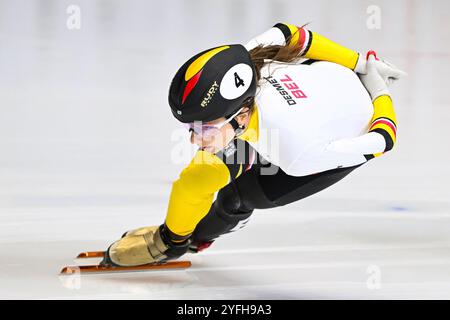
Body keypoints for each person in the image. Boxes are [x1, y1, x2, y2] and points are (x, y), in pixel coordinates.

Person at [100, 22, 406, 267]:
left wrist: (378, 90)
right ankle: (172, 241)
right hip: (302, 100)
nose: (193, 138)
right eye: (189, 127)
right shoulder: (245, 61)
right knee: (198, 177)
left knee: (239, 197)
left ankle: (199, 239)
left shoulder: (297, 151)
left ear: (241, 114)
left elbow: (383, 140)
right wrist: (360, 63)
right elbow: (292, 34)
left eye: (204, 127)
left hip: (339, 128)